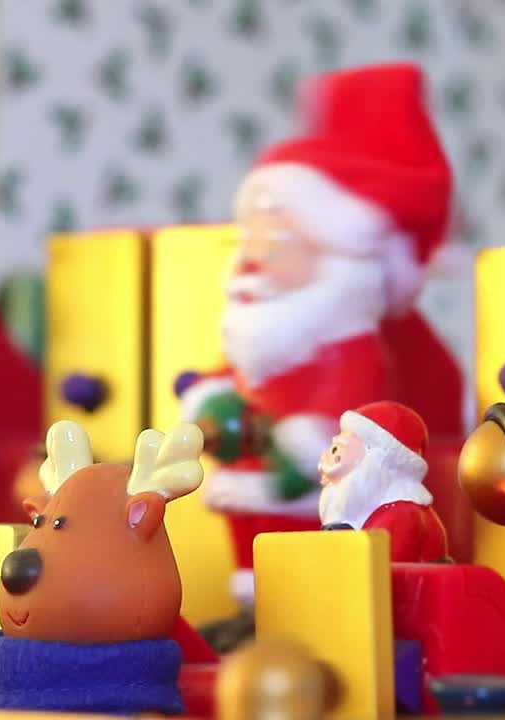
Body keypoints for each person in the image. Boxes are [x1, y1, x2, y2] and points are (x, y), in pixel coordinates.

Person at [178, 63, 452, 604]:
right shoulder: (263, 330)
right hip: (256, 478)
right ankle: (256, 599)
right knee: (252, 538)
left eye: (278, 242)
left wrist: (303, 442)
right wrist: (212, 394)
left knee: (309, 551)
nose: (254, 257)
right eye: (249, 238)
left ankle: (297, 602)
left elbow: (348, 410)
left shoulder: (349, 345)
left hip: (315, 487)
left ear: (337, 255)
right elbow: (236, 373)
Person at [317, 401, 448, 563]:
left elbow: (376, 566)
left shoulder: (403, 514)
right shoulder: (363, 508)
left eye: (337, 449)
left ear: (376, 457)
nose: (328, 458)